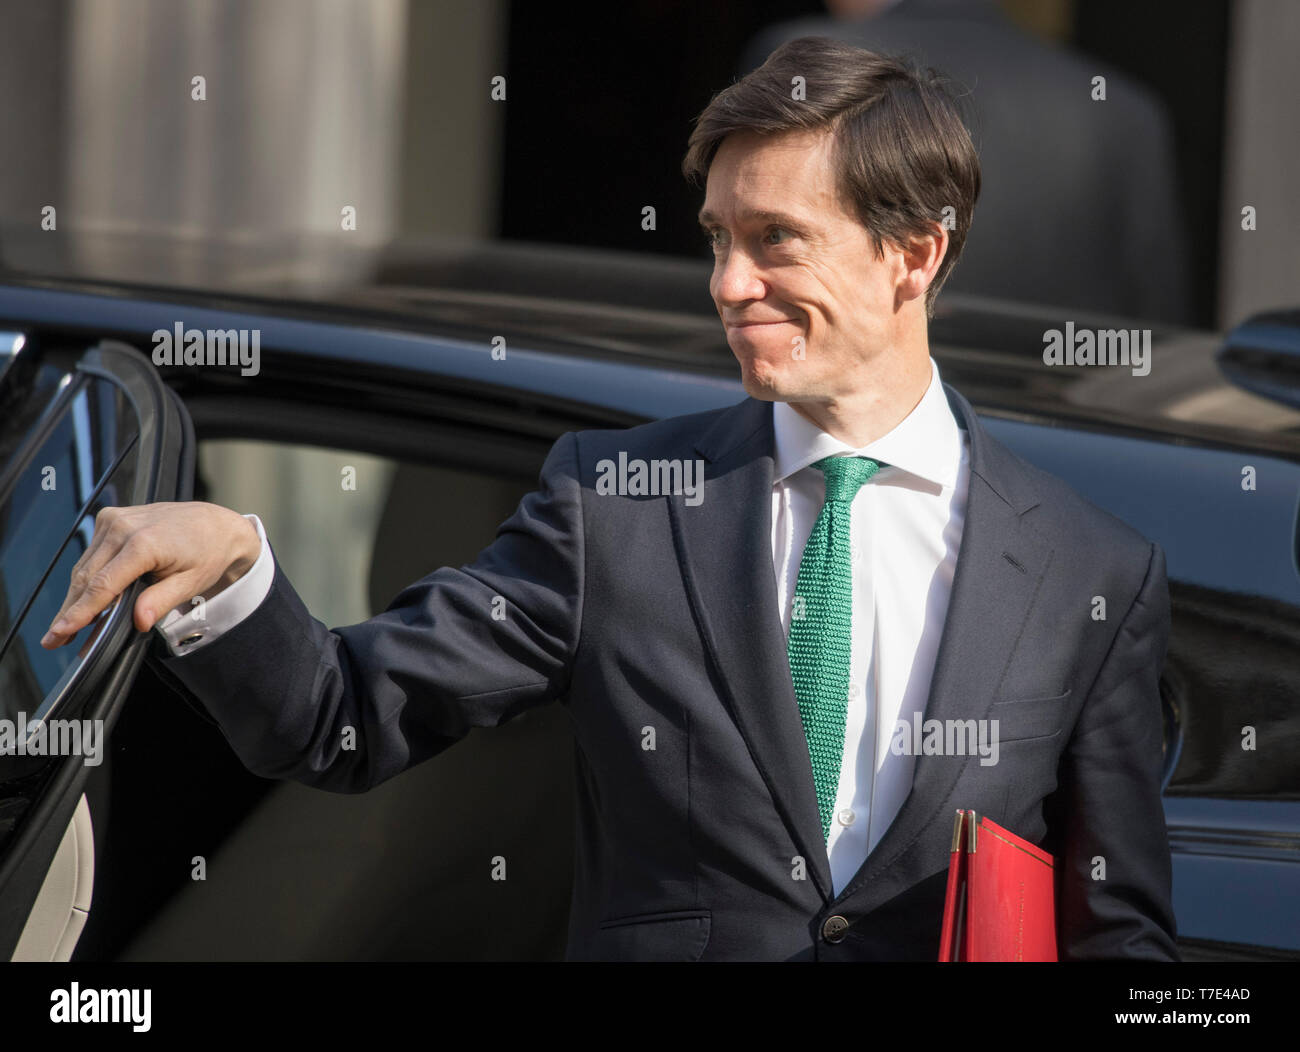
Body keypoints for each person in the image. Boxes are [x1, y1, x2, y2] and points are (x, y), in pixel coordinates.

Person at [42, 37, 1178, 961]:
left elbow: (1118, 933)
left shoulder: (1090, 571)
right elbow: (346, 716)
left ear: (915, 255)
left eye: (775, 240)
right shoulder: (618, 506)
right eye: (719, 240)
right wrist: (237, 568)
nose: (730, 286)